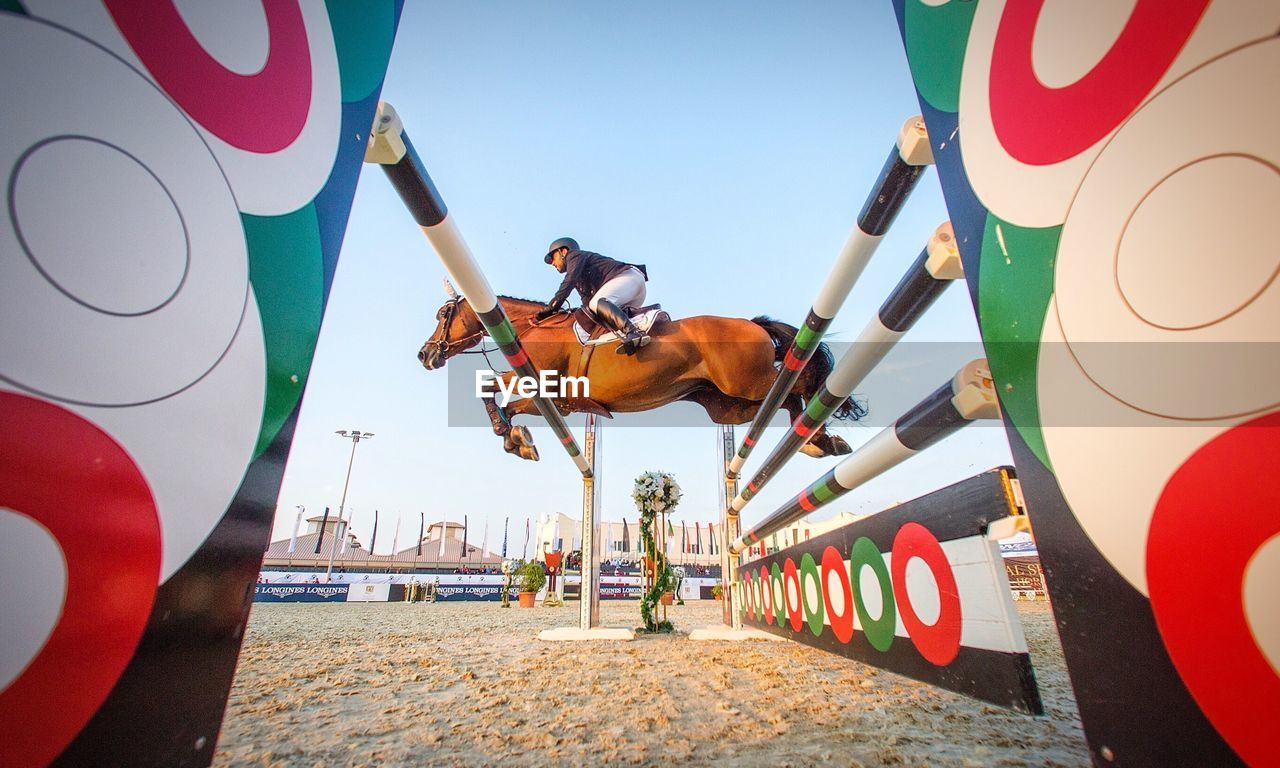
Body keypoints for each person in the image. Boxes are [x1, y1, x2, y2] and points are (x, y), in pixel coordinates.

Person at [535, 237, 651, 355]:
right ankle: (634, 334)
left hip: (628, 278)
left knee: (596, 303)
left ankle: (633, 333)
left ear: (563, 252)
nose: (552, 263)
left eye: (552, 258)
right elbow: (587, 304)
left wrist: (552, 306)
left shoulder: (574, 256)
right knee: (598, 312)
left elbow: (569, 281)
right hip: (632, 291)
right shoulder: (580, 277)